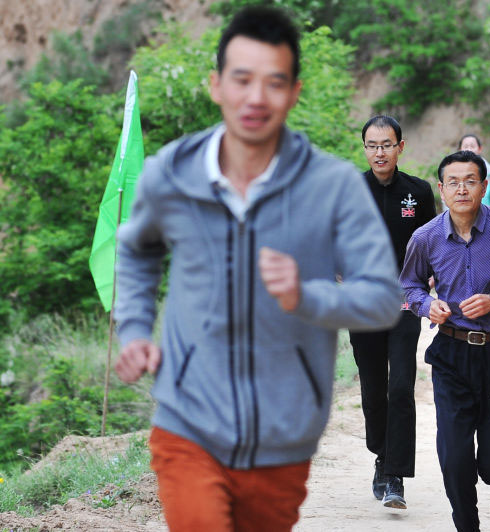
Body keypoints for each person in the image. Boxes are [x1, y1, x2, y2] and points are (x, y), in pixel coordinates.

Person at [112, 7, 401, 531]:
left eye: (274, 82)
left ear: (294, 93)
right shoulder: (172, 173)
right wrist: (133, 328)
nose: (256, 98)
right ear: (216, 85)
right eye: (242, 79)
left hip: (284, 432)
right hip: (187, 420)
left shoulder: (332, 186)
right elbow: (135, 248)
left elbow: (383, 297)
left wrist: (306, 295)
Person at [400, 150, 490, 532]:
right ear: (441, 189)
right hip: (451, 355)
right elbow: (409, 289)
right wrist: (427, 305)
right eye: (453, 182)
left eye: (470, 181)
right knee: (454, 457)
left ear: (484, 187)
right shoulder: (425, 237)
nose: (461, 189)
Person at [349, 115, 436, 510]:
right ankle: (381, 453)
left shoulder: (418, 192)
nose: (379, 152)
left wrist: (433, 283)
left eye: (386, 144)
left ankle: (394, 475)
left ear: (401, 147)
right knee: (373, 391)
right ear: (365, 149)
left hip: (405, 301)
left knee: (400, 385)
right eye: (372, 145)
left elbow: (435, 243)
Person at [459, 134, 490, 206]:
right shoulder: (453, 172)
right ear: (460, 150)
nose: (469, 149)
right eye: (466, 146)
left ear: (479, 149)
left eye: (472, 146)